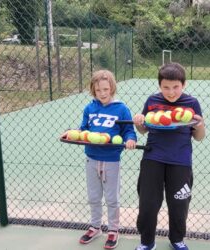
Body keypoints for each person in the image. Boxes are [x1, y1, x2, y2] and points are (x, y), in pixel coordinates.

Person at [132, 63, 205, 250]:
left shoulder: (192, 104)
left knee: (179, 205)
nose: (171, 92)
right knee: (148, 204)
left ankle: (177, 239)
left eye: (175, 87)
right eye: (166, 87)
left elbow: (199, 138)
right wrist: (139, 122)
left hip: (180, 161)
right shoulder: (152, 101)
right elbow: (143, 130)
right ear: (159, 85)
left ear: (184, 84)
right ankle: (146, 242)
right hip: (153, 158)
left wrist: (200, 125)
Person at [77, 69, 137, 249]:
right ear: (93, 91)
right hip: (91, 158)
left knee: (112, 198)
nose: (102, 93)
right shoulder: (90, 108)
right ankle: (95, 226)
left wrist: (131, 140)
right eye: (98, 91)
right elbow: (83, 129)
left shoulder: (121, 108)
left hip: (111, 159)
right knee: (94, 196)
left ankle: (113, 230)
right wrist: (76, 134)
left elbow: (129, 130)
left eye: (105, 89)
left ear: (112, 88)